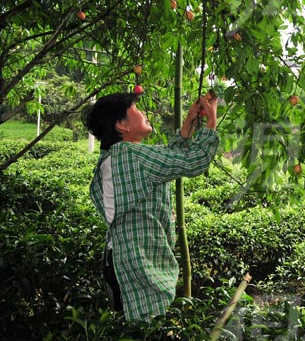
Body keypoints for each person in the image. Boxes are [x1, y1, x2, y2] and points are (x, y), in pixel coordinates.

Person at [81, 90, 219, 322]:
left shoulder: (119, 155)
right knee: (146, 328)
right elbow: (193, 162)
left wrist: (188, 126)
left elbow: (167, 158)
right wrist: (211, 123)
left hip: (124, 260)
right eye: (135, 110)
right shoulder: (132, 155)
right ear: (122, 125)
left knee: (133, 328)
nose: (143, 113)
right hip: (138, 264)